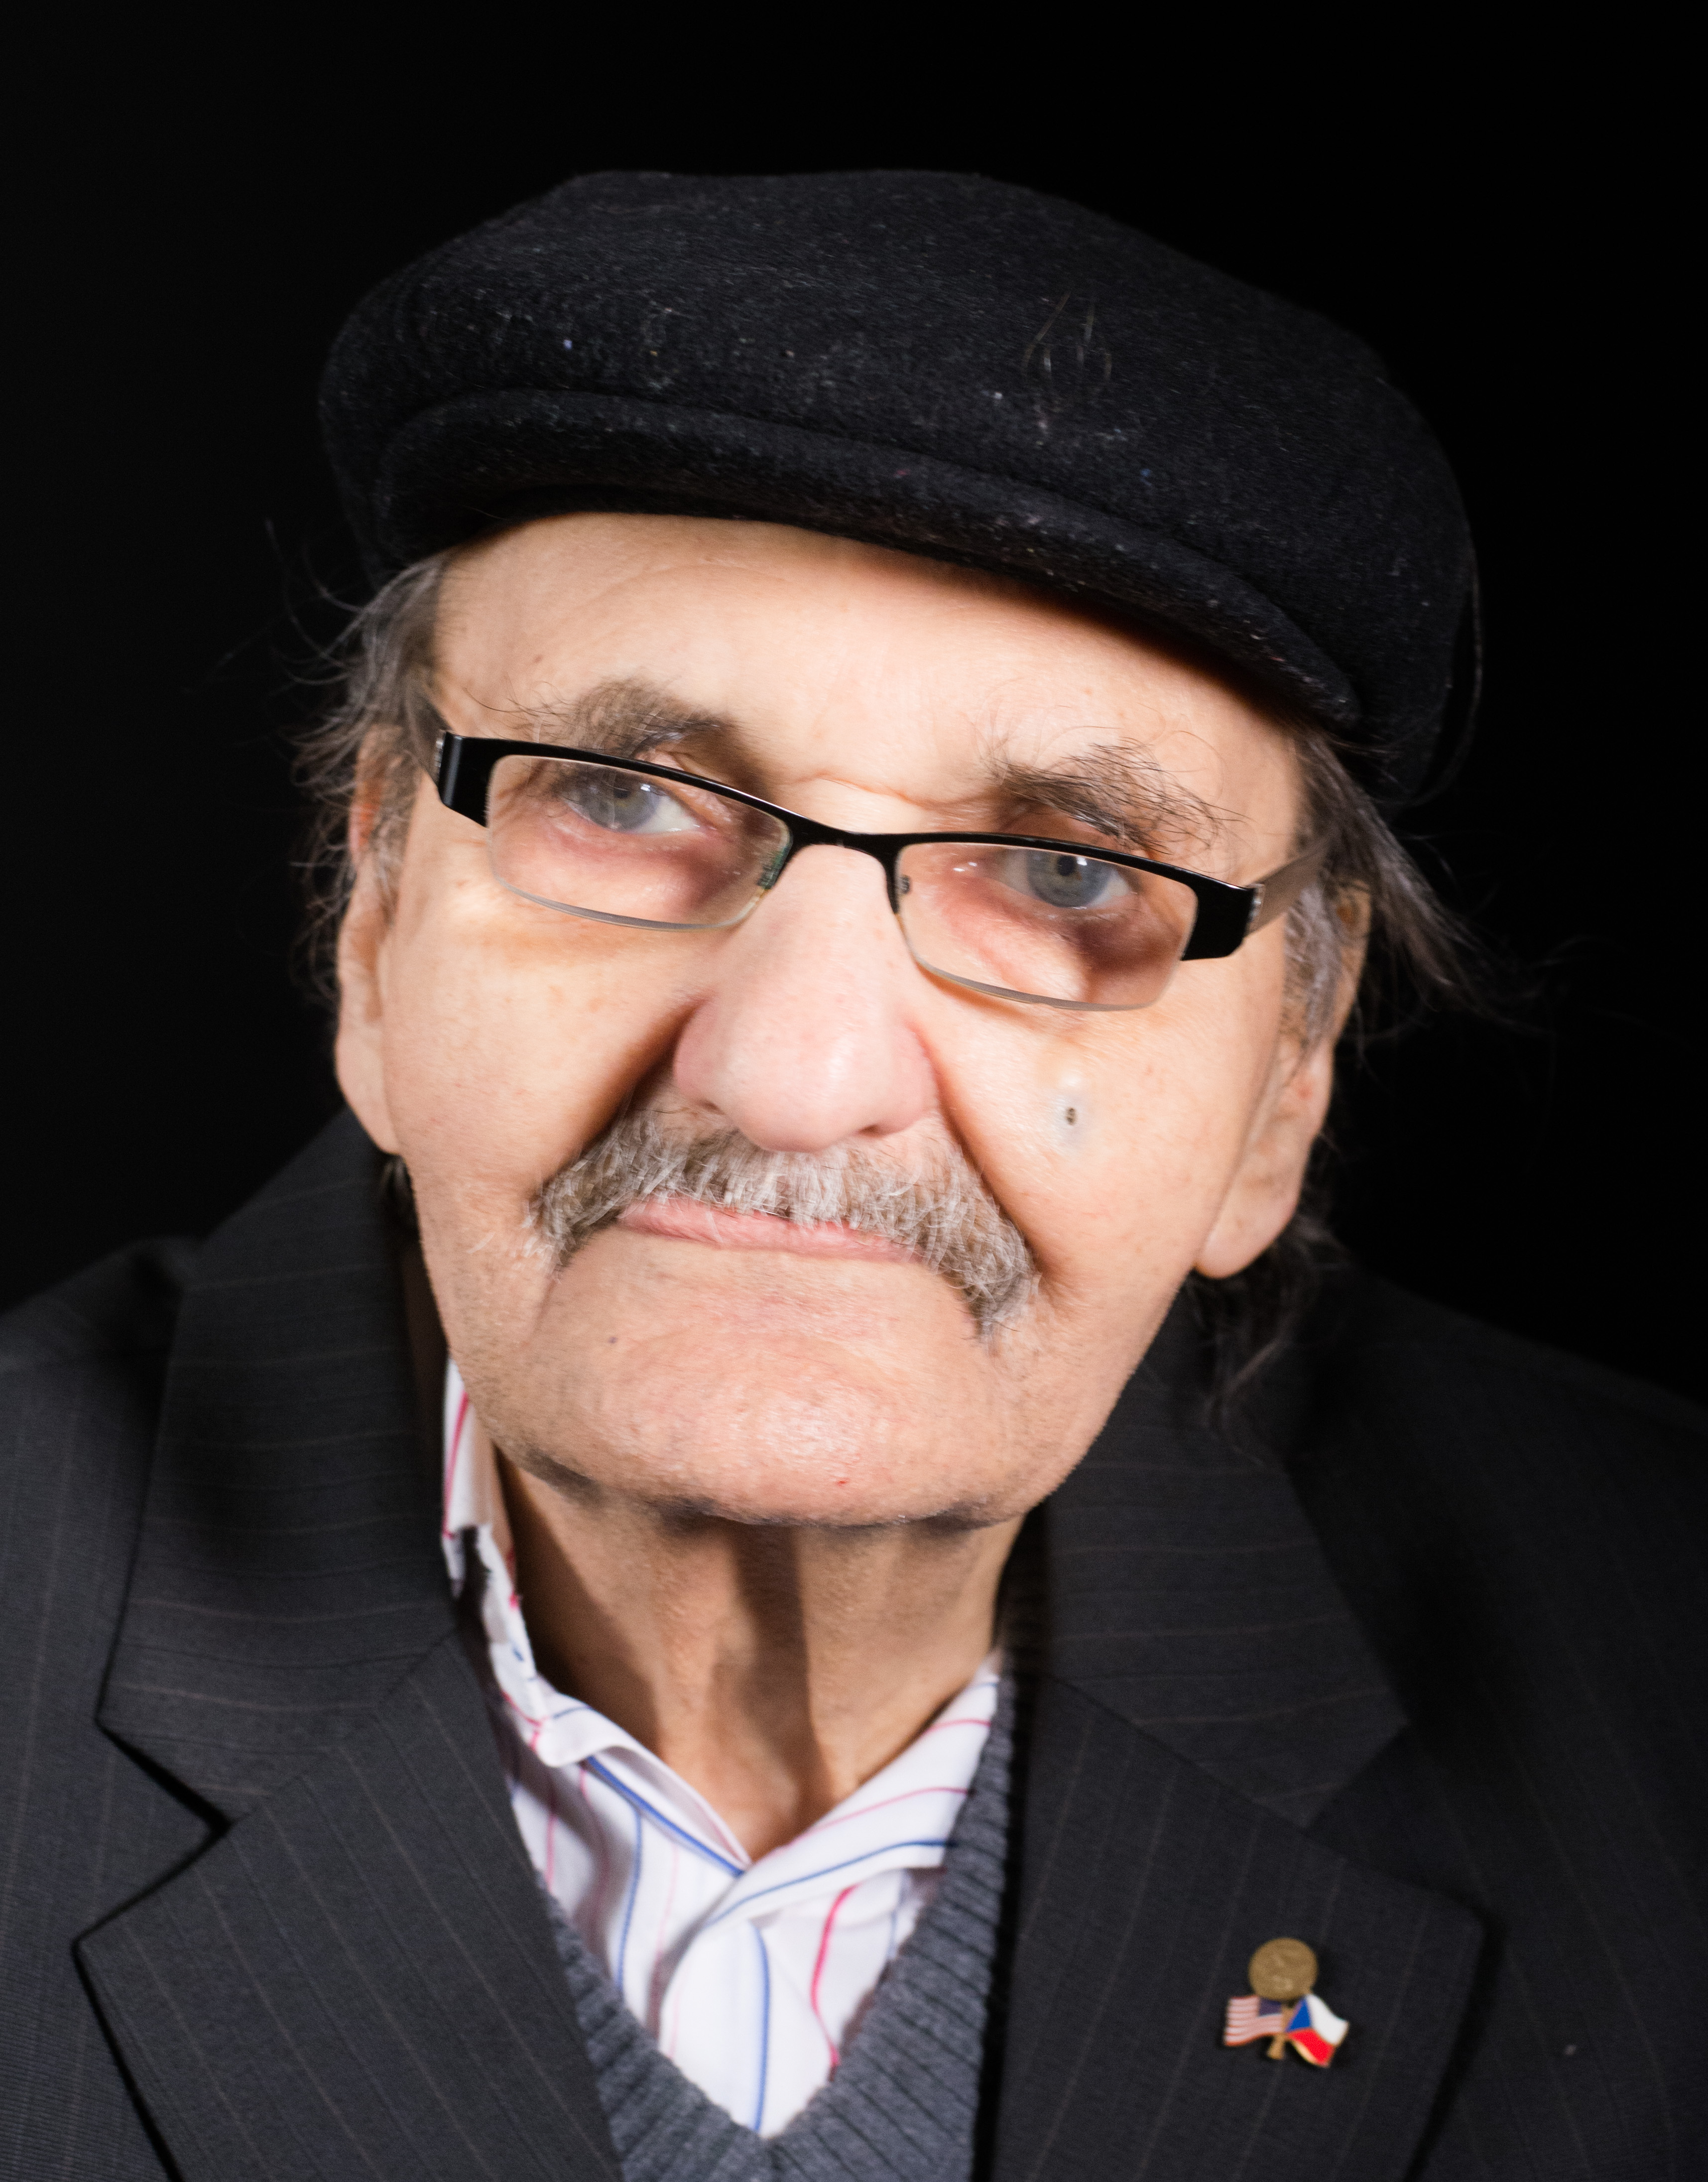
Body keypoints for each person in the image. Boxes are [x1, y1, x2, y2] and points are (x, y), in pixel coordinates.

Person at [1, 171, 1699, 2182]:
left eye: (1067, 871)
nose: (795, 1078)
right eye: (623, 798)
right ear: (373, 915)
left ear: (1285, 1084)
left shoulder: (1658, 1681)